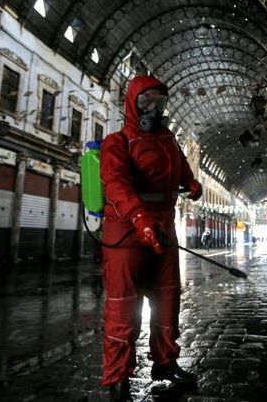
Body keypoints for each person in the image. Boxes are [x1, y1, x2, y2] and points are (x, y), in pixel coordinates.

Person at [99, 75, 203, 401]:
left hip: (163, 229)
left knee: (167, 297)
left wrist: (193, 184)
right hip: (126, 232)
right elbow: (116, 184)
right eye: (147, 102)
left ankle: (166, 362)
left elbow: (181, 168)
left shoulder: (168, 140)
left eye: (160, 102)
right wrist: (139, 217)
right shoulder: (118, 142)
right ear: (132, 104)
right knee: (122, 306)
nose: (154, 109)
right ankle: (118, 380)